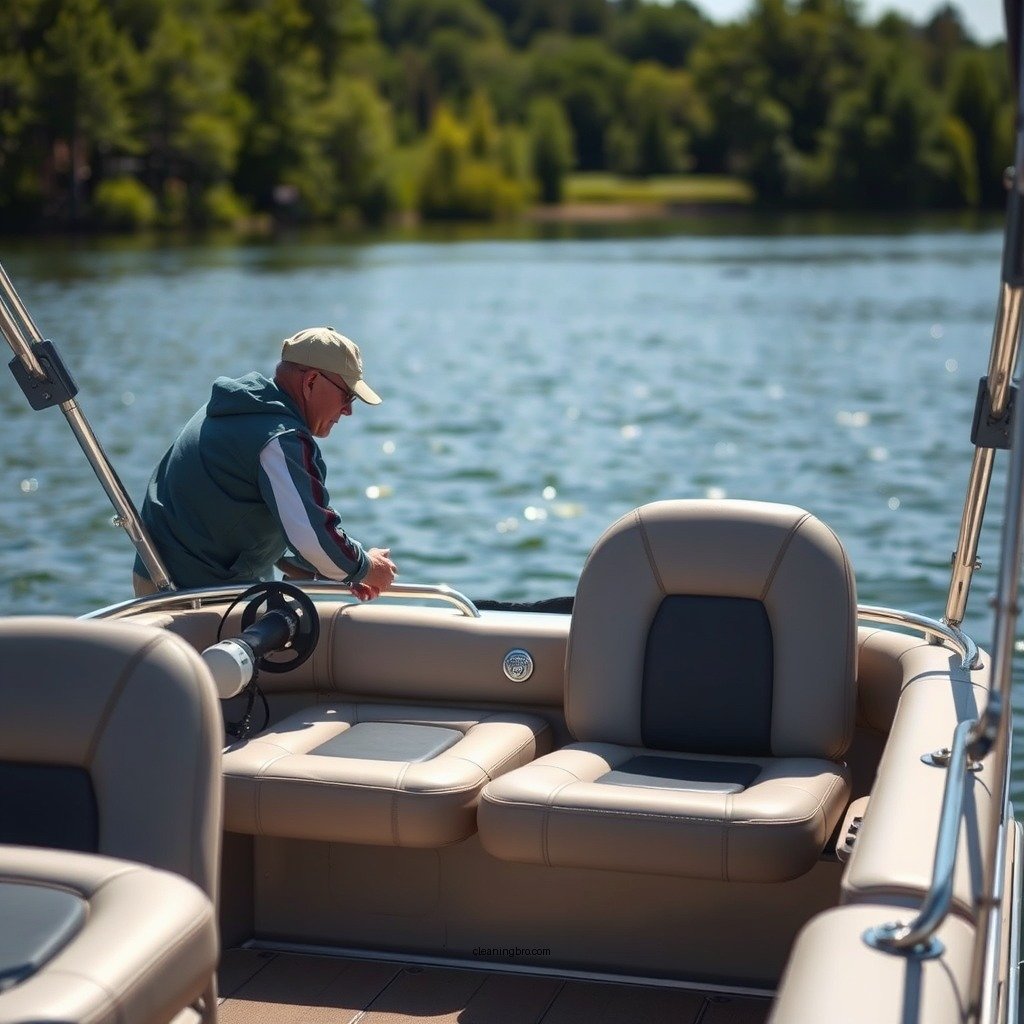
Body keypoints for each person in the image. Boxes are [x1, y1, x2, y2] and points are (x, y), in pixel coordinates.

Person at [132, 326, 398, 599]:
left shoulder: (242, 407)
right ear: (311, 383)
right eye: (347, 396)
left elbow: (249, 520)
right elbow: (313, 539)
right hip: (191, 592)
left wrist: (340, 569)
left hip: (161, 577)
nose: (348, 410)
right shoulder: (280, 439)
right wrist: (365, 567)